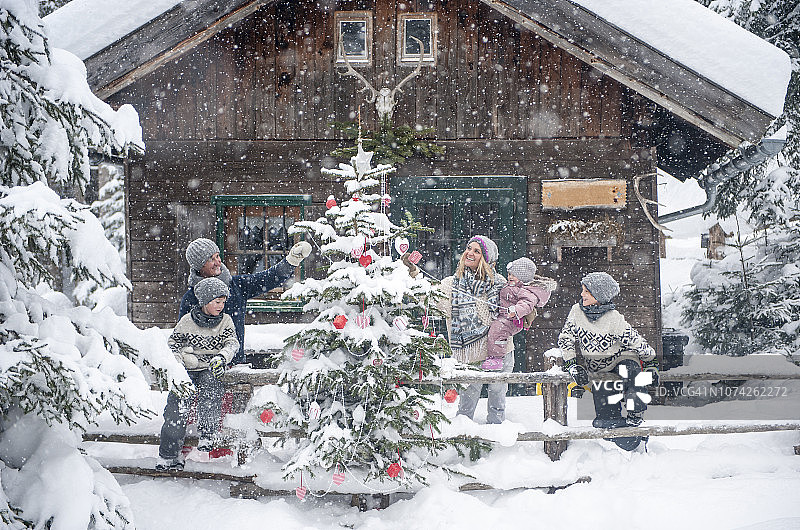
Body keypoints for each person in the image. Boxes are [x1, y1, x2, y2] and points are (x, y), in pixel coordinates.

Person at [558, 271, 659, 451]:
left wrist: (651, 363)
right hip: (599, 369)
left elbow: (635, 340)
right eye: (583, 290)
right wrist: (572, 364)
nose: (582, 295)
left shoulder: (613, 318)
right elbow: (565, 339)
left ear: (599, 295)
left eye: (586, 292)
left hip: (621, 359)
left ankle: (636, 413)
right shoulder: (576, 312)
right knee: (604, 421)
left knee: (631, 372)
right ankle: (633, 441)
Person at [180, 237, 312, 365]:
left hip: (235, 365)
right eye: (211, 259)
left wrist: (292, 260)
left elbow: (269, 278)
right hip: (203, 369)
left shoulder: (237, 286)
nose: (218, 262)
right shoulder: (191, 299)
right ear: (199, 265)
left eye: (217, 256)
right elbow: (182, 337)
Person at [157, 277, 238, 470]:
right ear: (204, 302)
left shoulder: (225, 321)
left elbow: (232, 343)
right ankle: (168, 454)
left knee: (211, 389)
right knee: (176, 407)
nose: (221, 306)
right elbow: (173, 344)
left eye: (223, 302)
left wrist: (222, 357)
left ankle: (207, 434)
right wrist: (178, 363)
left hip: (210, 367)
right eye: (217, 302)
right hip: (187, 369)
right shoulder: (186, 322)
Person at [437, 235, 510, 424]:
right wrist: (411, 275)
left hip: (499, 351)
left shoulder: (500, 283)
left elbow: (519, 306)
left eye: (477, 251)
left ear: (487, 259)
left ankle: (498, 445)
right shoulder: (451, 284)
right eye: (469, 248)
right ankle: (464, 446)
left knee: (497, 403)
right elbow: (428, 299)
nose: (469, 253)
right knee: (465, 408)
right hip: (469, 354)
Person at [482, 257, 555, 371]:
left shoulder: (525, 291)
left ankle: (496, 359)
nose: (510, 277)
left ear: (523, 278)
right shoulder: (513, 286)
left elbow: (526, 304)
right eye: (509, 274)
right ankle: (494, 356)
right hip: (505, 315)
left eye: (514, 275)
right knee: (496, 328)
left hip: (514, 319)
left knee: (498, 329)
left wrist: (515, 311)